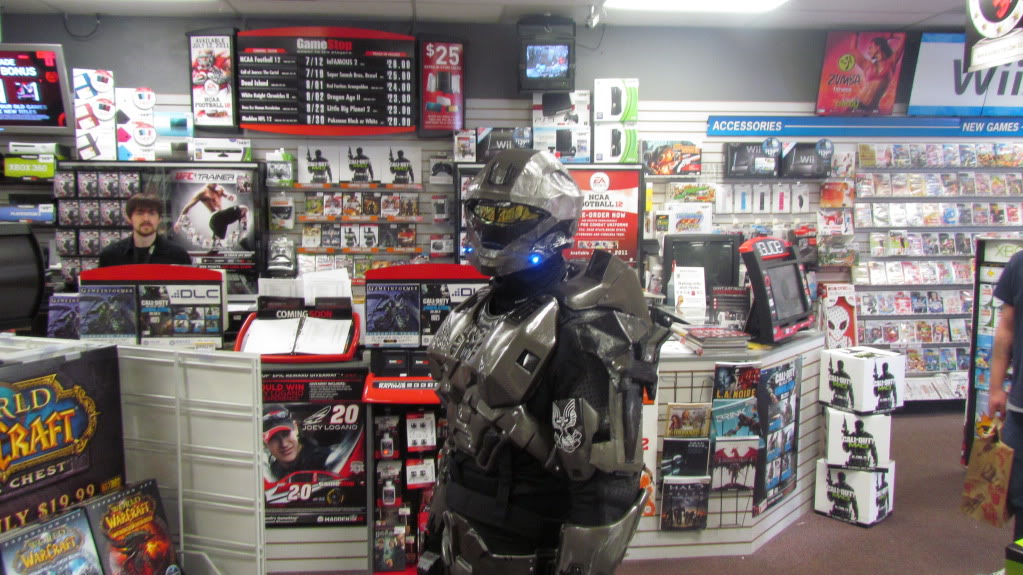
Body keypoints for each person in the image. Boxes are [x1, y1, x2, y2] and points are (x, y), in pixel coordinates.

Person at [418, 149, 670, 575]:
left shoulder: (580, 328)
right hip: (456, 534)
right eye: (485, 212)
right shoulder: (476, 310)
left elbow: (604, 490)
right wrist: (435, 527)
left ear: (554, 219)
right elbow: (460, 441)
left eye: (511, 213)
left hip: (523, 547)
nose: (493, 225)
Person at [989, 248, 1023, 541]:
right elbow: (1006, 329)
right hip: (1020, 408)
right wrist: (995, 387)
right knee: (1016, 496)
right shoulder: (1020, 263)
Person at [98, 193, 192, 267]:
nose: (146, 219)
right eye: (139, 213)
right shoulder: (110, 255)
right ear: (129, 218)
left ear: (159, 219)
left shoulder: (178, 255)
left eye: (152, 213)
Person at [262, 404, 334, 481]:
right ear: (264, 442)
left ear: (296, 428)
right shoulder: (273, 470)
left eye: (286, 434)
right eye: (274, 438)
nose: (284, 444)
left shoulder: (325, 460)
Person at [174, 182, 249, 250]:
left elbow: (228, 196)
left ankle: (207, 258)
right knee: (244, 209)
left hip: (222, 221)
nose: (215, 184)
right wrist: (179, 222)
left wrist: (231, 197)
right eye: (213, 183)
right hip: (216, 218)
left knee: (216, 248)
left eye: (217, 183)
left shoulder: (220, 188)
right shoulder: (202, 192)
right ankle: (242, 238)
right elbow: (188, 206)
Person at [848, 32, 904, 114]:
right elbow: (853, 49)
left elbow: (903, 36)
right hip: (855, 104)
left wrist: (890, 35)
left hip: (871, 109)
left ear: (878, 47)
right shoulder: (867, 65)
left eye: (870, 47)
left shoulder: (891, 63)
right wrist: (856, 33)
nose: (868, 51)